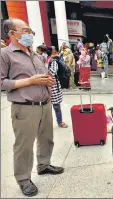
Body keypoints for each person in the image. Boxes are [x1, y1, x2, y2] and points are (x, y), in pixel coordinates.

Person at [1, 18, 64, 197]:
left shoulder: (34, 54)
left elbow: (42, 76)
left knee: (46, 138)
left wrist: (48, 80)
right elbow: (2, 83)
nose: (30, 35)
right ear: (12, 34)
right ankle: (23, 179)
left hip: (44, 103)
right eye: (26, 31)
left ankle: (44, 165)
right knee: (24, 145)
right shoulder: (5, 54)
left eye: (30, 32)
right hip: (25, 107)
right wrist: (29, 81)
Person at [47, 47, 68, 128]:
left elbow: (53, 72)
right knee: (45, 106)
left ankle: (59, 122)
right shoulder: (42, 60)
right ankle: (46, 123)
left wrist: (43, 71)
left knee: (56, 105)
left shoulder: (52, 61)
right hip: (43, 85)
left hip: (53, 85)